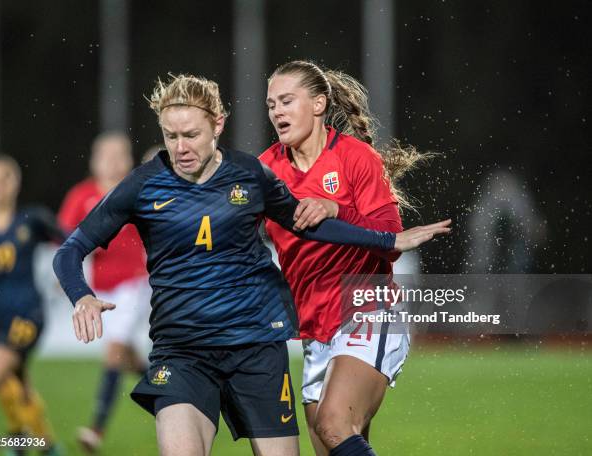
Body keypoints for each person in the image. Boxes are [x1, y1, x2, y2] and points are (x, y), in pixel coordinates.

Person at [52, 73, 450, 456]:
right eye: (170, 136)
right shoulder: (143, 184)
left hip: (256, 346)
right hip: (183, 350)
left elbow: (308, 225)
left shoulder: (250, 174)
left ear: (218, 125)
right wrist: (81, 295)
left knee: (331, 430)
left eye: (191, 134)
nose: (180, 147)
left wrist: (389, 239)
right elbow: (69, 250)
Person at [261, 60, 433, 456]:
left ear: (319, 104)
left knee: (333, 422)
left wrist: (337, 210)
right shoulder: (266, 170)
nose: (277, 112)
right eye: (271, 105)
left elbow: (390, 239)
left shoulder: (356, 158)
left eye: (287, 101)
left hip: (366, 309)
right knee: (333, 440)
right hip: (314, 328)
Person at [57, 131, 151, 453]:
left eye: (118, 154)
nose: (112, 161)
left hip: (135, 284)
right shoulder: (81, 196)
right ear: (93, 160)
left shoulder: (137, 191)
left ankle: (96, 429)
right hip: (99, 289)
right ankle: (171, 388)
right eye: (106, 155)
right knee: (126, 357)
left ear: (128, 160)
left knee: (113, 352)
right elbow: (65, 242)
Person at [0, 155, 64, 455]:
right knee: (17, 382)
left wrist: (67, 275)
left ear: (16, 184)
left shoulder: (33, 218)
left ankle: (20, 439)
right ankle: (45, 445)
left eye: (6, 178)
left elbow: (71, 242)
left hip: (29, 311)